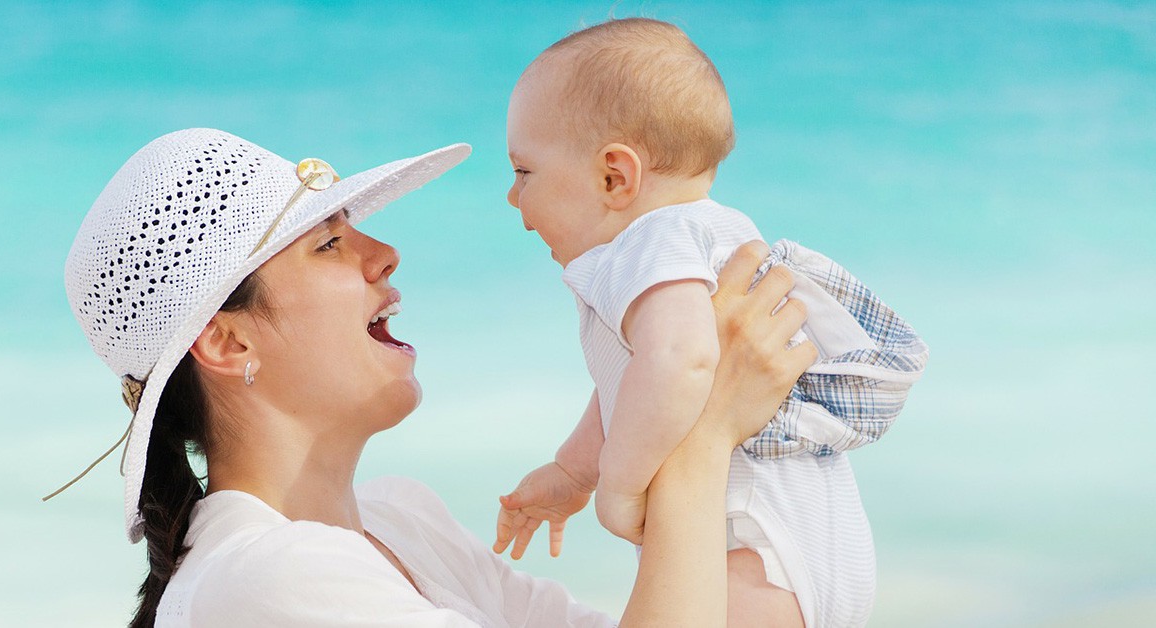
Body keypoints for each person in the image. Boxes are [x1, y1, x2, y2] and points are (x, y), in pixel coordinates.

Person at [49, 127, 816, 627]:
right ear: (226, 341)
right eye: (327, 245)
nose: (384, 255)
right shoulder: (259, 581)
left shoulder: (402, 522)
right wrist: (703, 427)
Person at [495, 18, 928, 628]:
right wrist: (574, 470)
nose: (513, 198)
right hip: (805, 540)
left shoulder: (650, 241)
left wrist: (620, 486)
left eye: (524, 172)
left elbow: (682, 362)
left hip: (749, 544)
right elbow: (635, 380)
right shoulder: (710, 233)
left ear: (614, 177)